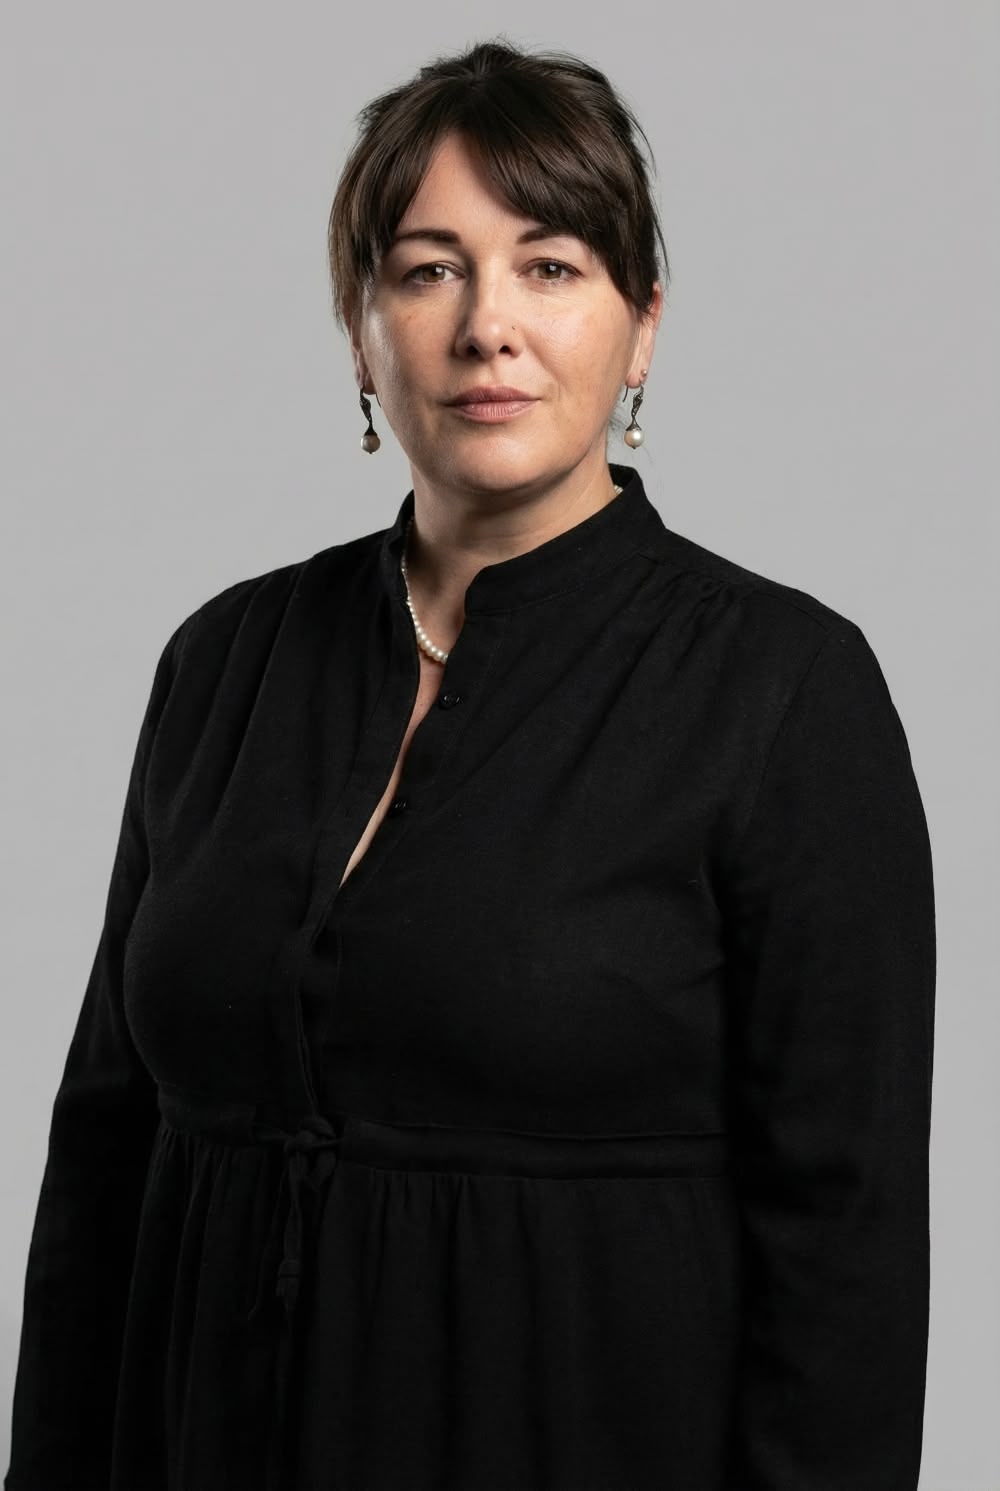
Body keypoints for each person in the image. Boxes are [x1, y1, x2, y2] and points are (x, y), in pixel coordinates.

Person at [4, 38, 935, 1491]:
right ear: (361, 331)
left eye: (551, 266)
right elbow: (101, 1154)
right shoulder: (223, 660)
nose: (486, 325)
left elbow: (848, 1244)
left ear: (643, 327)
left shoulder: (784, 689)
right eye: (427, 270)